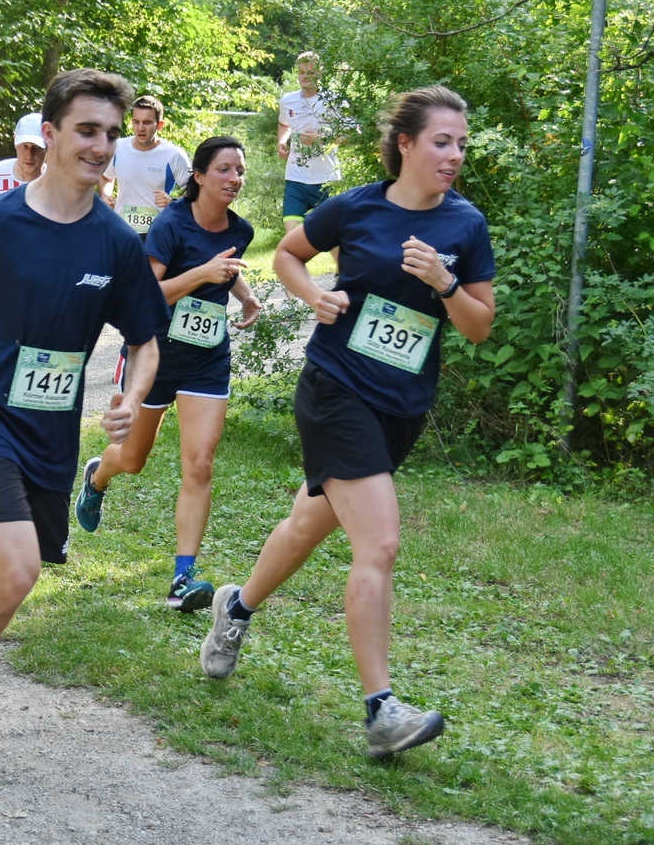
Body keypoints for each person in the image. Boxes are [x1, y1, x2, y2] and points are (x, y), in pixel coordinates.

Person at [201, 85, 496, 758]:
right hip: (336, 388)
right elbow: (287, 253)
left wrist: (445, 286)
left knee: (309, 523)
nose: (454, 155)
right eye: (443, 142)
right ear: (407, 145)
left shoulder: (464, 225)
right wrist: (313, 295)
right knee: (381, 542)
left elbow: (479, 326)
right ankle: (381, 709)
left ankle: (236, 607)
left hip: (402, 406)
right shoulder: (358, 206)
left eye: (461, 144)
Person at [0, 69, 169, 758]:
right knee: (15, 570)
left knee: (22, 578)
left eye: (110, 133)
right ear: (49, 136)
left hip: (49, 429)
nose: (101, 146)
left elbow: (146, 341)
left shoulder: (116, 243)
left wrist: (131, 402)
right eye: (86, 130)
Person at [74, 136, 262, 612]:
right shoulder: (170, 224)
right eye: (223, 169)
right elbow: (147, 295)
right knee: (133, 459)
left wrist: (244, 294)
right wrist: (203, 274)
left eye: (239, 171)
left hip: (206, 358)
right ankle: (98, 476)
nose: (234, 179)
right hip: (154, 353)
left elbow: (226, 263)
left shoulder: (240, 228)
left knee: (200, 463)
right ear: (197, 176)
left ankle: (183, 578)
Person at [277, 52, 355, 226]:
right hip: (295, 177)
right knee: (292, 234)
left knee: (333, 236)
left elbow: (351, 136)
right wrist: (282, 142)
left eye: (310, 73)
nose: (305, 77)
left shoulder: (334, 101)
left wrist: (321, 138)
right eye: (302, 72)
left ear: (320, 74)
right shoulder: (287, 101)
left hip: (325, 178)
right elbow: (284, 125)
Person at [103, 96, 192, 236]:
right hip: (121, 230)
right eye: (136, 122)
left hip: (158, 233)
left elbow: (195, 194)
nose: (140, 128)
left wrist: (173, 202)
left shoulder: (174, 155)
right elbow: (107, 178)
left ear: (159, 125)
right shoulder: (117, 148)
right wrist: (105, 195)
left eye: (147, 122)